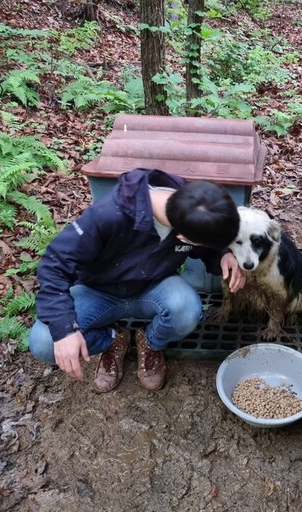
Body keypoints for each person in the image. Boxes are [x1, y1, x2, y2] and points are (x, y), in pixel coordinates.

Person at [30, 168, 245, 393]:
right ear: (182, 236)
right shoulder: (107, 216)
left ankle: (150, 342)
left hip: (154, 286)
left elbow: (207, 243)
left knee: (187, 310)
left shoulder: (191, 210)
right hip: (97, 290)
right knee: (44, 342)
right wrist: (65, 331)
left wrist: (223, 255)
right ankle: (112, 339)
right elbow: (54, 266)